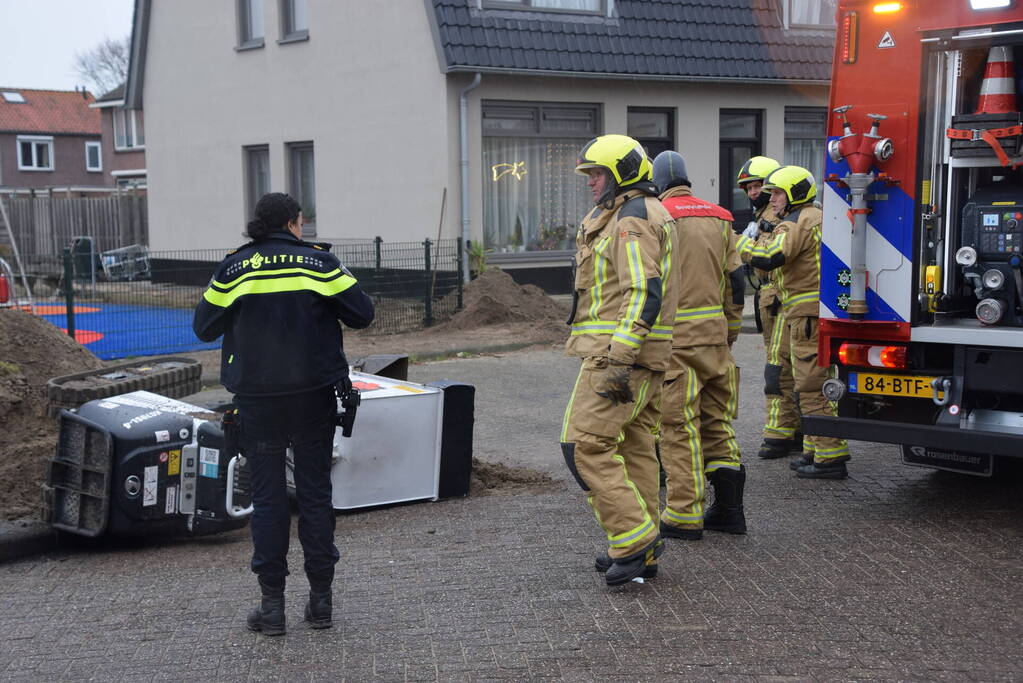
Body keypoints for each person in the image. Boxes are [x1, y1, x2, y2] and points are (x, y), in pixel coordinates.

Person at [193, 192, 375, 634]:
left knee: (269, 501)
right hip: (313, 397)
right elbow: (363, 314)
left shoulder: (234, 266)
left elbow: (203, 327)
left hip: (257, 401)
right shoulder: (321, 264)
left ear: (258, 224)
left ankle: (272, 607)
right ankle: (321, 602)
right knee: (314, 496)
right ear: (295, 223)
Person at [561, 134, 680, 586]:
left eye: (597, 174)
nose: (591, 183)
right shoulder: (638, 212)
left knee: (584, 446)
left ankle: (634, 540)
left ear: (622, 174)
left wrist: (619, 359)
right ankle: (640, 547)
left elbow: (641, 292)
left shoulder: (631, 220)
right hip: (644, 357)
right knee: (633, 448)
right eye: (589, 175)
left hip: (618, 357)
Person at [652, 150, 747, 540]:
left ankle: (683, 515)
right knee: (718, 424)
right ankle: (729, 512)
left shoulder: (656, 216)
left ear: (658, 182)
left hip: (675, 343)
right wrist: (731, 330)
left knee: (677, 427)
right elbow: (737, 281)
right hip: (715, 340)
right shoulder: (721, 217)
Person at [746, 167, 852, 479]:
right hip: (806, 314)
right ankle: (816, 449)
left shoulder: (797, 221)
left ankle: (830, 457)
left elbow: (770, 256)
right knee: (808, 383)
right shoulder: (813, 216)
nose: (772, 199)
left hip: (807, 315)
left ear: (794, 193)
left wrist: (738, 244)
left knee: (810, 384)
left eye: (777, 193)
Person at [735, 157, 805, 460]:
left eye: (757, 185)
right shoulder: (765, 215)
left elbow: (771, 256)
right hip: (770, 299)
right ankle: (796, 429)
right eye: (748, 187)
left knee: (779, 369)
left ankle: (780, 432)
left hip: (780, 300)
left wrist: (739, 243)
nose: (752, 192)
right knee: (786, 367)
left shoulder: (778, 216)